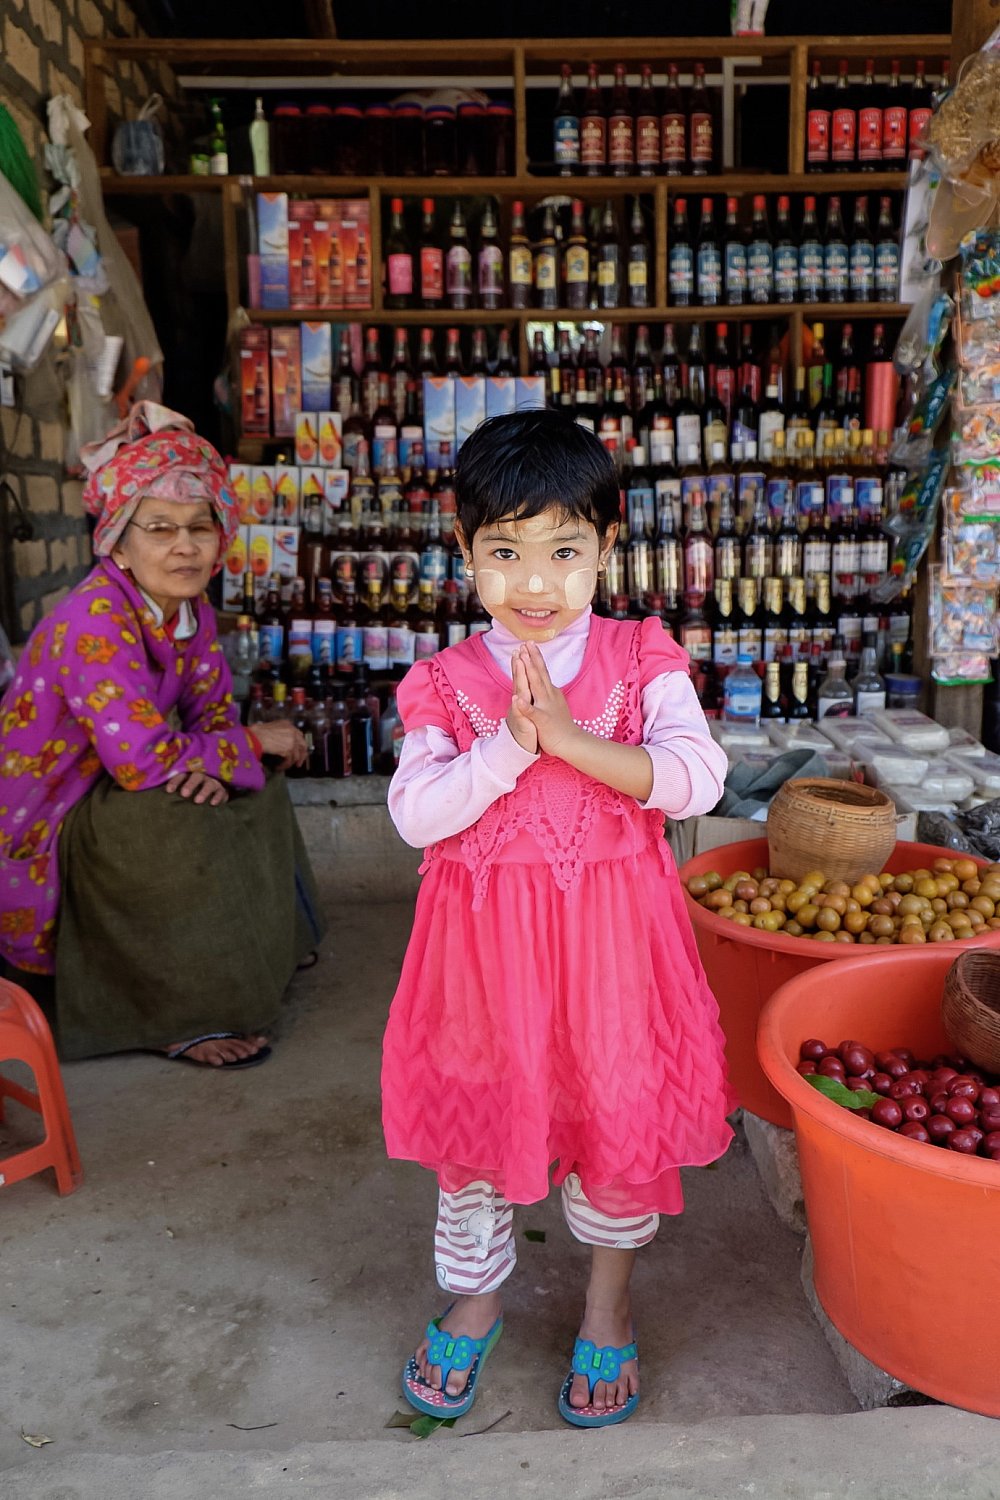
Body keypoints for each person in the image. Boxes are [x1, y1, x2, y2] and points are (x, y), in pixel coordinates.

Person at [383, 410, 734, 1428]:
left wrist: (570, 740)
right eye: (504, 552)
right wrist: (505, 751)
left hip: (615, 954)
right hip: (480, 963)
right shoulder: (443, 683)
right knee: (480, 1131)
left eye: (563, 551)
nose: (533, 583)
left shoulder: (640, 656)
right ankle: (477, 1293)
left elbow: (693, 779)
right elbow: (414, 814)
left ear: (607, 549)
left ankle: (607, 1307)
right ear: (464, 551)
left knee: (613, 1121)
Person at [0, 402, 322, 1068]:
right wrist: (249, 745)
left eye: (199, 528)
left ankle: (273, 942)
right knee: (171, 814)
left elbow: (208, 717)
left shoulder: (190, 609)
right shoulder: (94, 618)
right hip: (42, 822)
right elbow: (143, 763)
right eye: (159, 529)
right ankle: (176, 1014)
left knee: (242, 786)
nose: (184, 546)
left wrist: (228, 758)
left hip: (109, 783)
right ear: (117, 540)